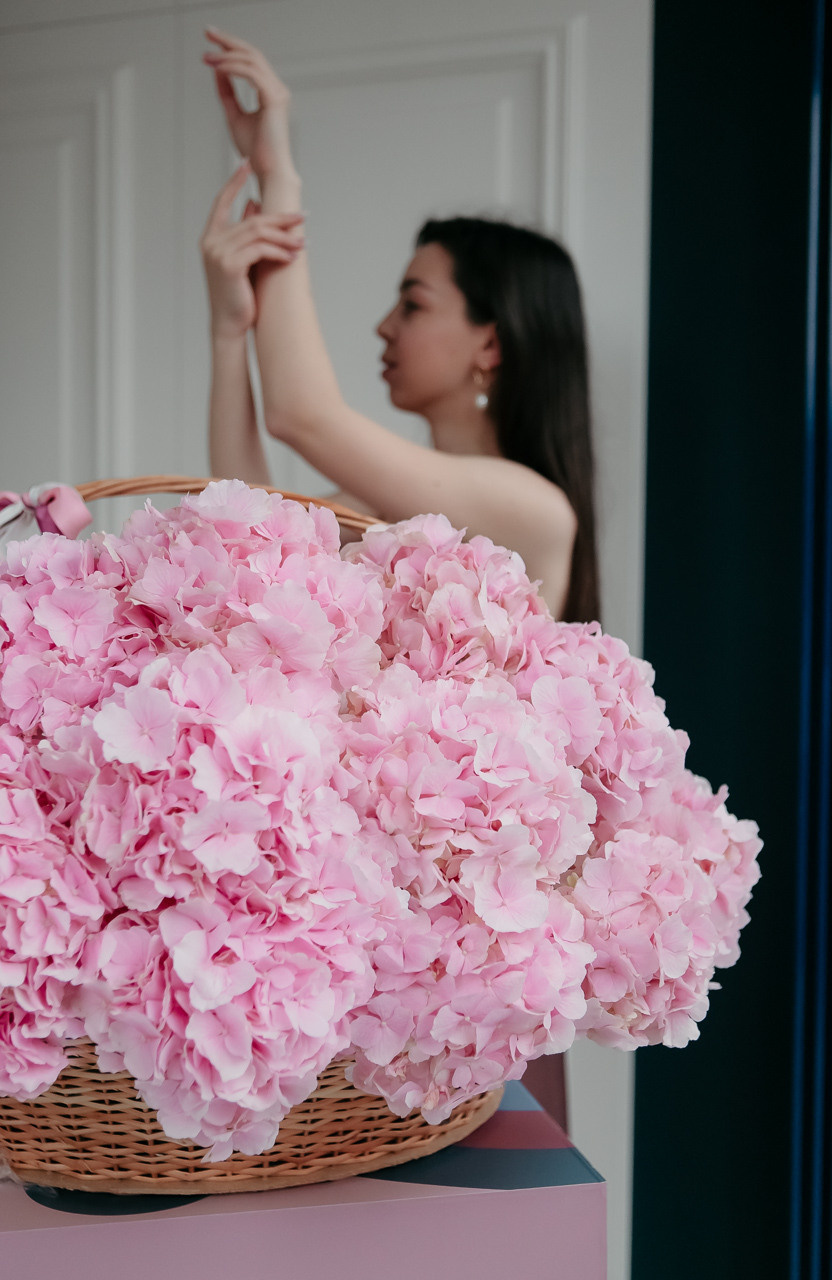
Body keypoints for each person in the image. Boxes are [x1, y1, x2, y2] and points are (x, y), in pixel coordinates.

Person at [200, 26, 600, 1123]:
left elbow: (303, 414)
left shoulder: (528, 511)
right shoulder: (404, 518)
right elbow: (251, 546)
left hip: (444, 994)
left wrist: (280, 174)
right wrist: (228, 330)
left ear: (491, 344)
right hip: (362, 967)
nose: (384, 324)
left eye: (413, 302)